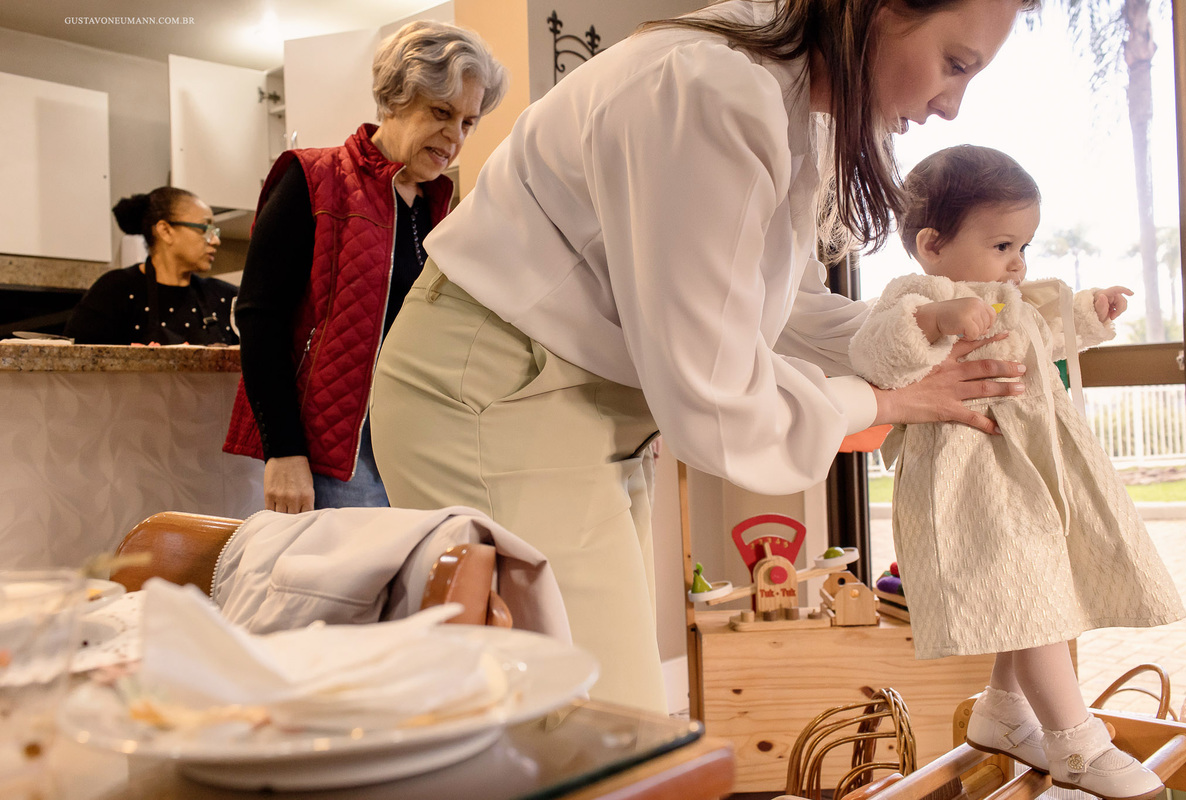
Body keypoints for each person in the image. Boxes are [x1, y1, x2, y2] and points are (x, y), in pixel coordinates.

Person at [369, 0, 1039, 713]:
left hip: (571, 399)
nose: (951, 106)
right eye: (954, 65)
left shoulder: (788, 104)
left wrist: (918, 331)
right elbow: (718, 400)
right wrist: (886, 401)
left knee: (585, 716)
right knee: (604, 722)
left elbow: (781, 309)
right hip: (495, 390)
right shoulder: (717, 92)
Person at [848, 145, 1185, 800]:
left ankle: (1002, 708)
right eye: (1002, 245)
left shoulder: (1008, 301)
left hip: (1033, 469)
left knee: (1039, 585)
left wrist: (1090, 313)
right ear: (932, 244)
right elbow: (876, 352)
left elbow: (1043, 338)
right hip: (974, 481)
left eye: (1023, 246)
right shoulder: (919, 295)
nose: (1017, 262)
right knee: (1027, 593)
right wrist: (934, 320)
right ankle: (1076, 742)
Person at [223, 21, 508, 513]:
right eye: (441, 112)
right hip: (335, 456)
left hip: (420, 448)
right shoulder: (312, 178)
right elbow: (259, 318)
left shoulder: (439, 209)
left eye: (468, 122)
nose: (455, 136)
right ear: (396, 99)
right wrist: (283, 451)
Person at [65, 187, 236, 345]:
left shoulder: (224, 296)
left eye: (215, 231)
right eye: (205, 229)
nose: (216, 240)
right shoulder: (114, 291)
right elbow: (75, 359)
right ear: (165, 231)